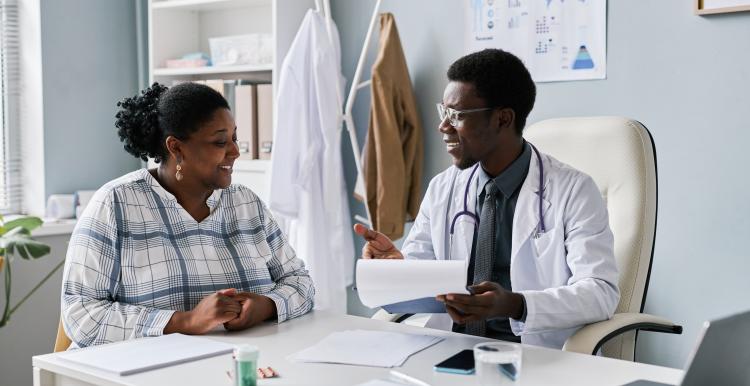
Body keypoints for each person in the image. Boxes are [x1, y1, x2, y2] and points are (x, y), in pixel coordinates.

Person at [354, 49, 619, 349]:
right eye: (444, 112)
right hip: (451, 349)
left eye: (457, 116)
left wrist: (515, 305)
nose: (443, 127)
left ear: (503, 119)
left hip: (533, 355)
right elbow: (424, 275)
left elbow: (600, 292)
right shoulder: (443, 188)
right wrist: (398, 267)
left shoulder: (574, 191)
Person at [61, 82, 314, 348]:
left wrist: (265, 305)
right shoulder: (115, 205)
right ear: (177, 148)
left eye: (234, 138)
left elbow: (300, 282)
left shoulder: (246, 204)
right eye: (220, 141)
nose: (235, 152)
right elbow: (81, 316)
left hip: (232, 366)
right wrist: (186, 321)